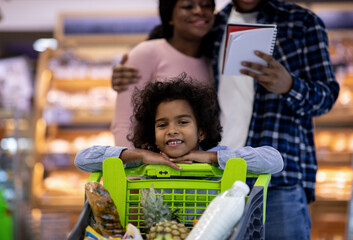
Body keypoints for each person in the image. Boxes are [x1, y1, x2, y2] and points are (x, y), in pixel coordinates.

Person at [112, 0, 340, 239]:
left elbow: (326, 96)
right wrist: (129, 70)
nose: (198, 10)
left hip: (275, 180)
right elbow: (175, 48)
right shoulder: (216, 24)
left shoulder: (301, 22)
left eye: (203, 4)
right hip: (214, 177)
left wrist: (289, 86)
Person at [75, 75, 283, 175]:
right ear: (152, 132)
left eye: (183, 122)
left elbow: (274, 161)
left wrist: (212, 157)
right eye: (162, 124)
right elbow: (82, 159)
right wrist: (139, 155)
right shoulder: (143, 161)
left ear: (201, 131)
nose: (172, 130)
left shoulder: (220, 156)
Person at [110, 0, 217, 149]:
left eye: (206, 5)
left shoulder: (211, 61)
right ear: (170, 17)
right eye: (188, 6)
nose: (199, 11)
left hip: (194, 169)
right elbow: (123, 124)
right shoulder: (146, 53)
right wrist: (131, 169)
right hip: (148, 168)